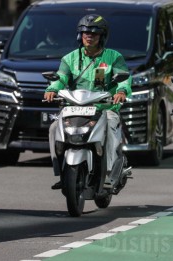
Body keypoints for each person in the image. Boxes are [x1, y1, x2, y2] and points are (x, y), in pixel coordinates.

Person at [44, 14, 132, 190]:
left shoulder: (114, 57)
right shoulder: (69, 59)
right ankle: (62, 173)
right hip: (75, 107)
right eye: (85, 33)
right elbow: (60, 78)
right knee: (54, 128)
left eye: (94, 33)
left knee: (110, 127)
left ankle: (109, 174)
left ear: (102, 37)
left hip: (104, 107)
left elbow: (124, 79)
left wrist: (122, 91)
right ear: (79, 35)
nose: (89, 36)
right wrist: (52, 89)